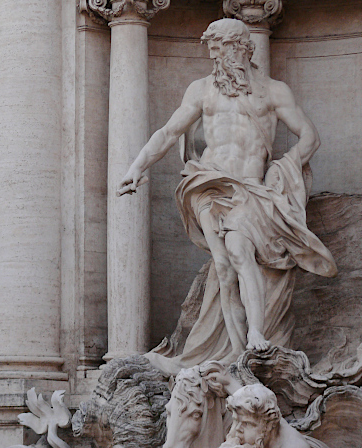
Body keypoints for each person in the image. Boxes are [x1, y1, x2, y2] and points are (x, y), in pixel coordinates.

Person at [119, 19, 336, 374]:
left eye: (220, 49)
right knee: (223, 265)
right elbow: (169, 131)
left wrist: (281, 173)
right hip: (206, 183)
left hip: (249, 188)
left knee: (238, 251)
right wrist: (136, 167)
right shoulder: (202, 90)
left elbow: (309, 137)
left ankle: (254, 333)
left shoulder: (273, 92)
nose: (214, 57)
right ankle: (237, 353)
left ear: (242, 48)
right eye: (212, 50)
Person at [219, 384, 310, 448]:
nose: (238, 428)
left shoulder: (294, 446)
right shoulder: (264, 421)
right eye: (235, 420)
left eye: (247, 423)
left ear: (269, 426)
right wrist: (227, 381)